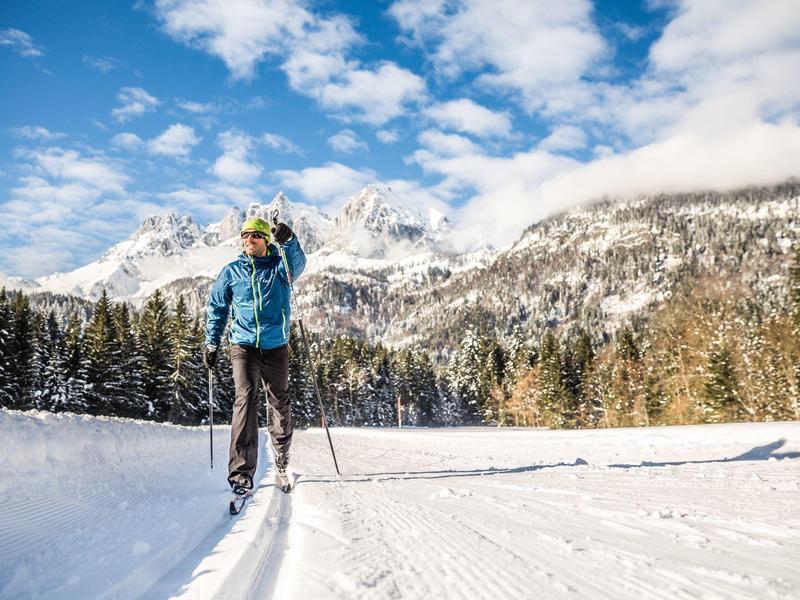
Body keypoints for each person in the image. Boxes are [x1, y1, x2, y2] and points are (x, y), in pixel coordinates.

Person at [203, 216, 306, 495]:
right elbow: (217, 308)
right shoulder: (232, 271)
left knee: (279, 401)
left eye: (255, 236)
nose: (248, 240)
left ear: (266, 240)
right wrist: (211, 343)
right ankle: (240, 473)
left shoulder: (280, 266)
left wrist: (288, 239)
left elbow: (298, 263)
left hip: (276, 345)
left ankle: (281, 455)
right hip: (243, 345)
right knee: (245, 399)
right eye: (244, 235)